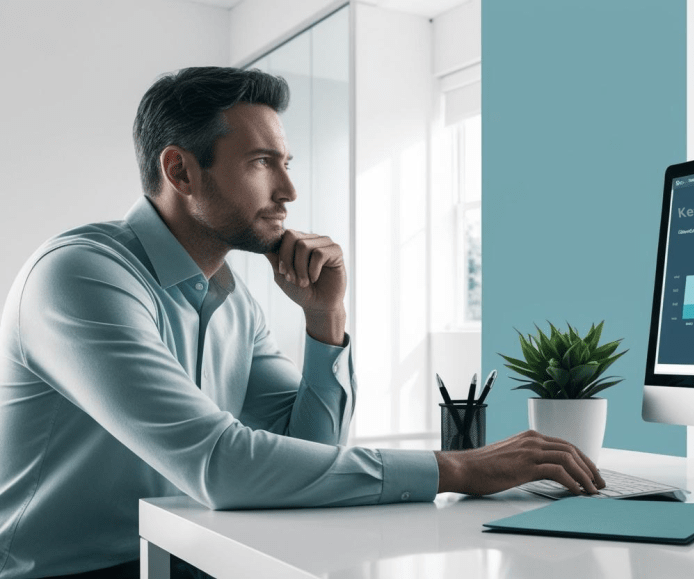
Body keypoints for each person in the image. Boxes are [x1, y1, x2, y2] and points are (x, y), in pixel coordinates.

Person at [0, 67, 604, 579]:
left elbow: (305, 453)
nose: (288, 189)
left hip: (182, 557)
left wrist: (326, 318)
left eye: (286, 162)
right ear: (180, 171)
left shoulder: (233, 301)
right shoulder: (81, 276)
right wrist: (458, 468)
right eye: (262, 162)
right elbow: (221, 465)